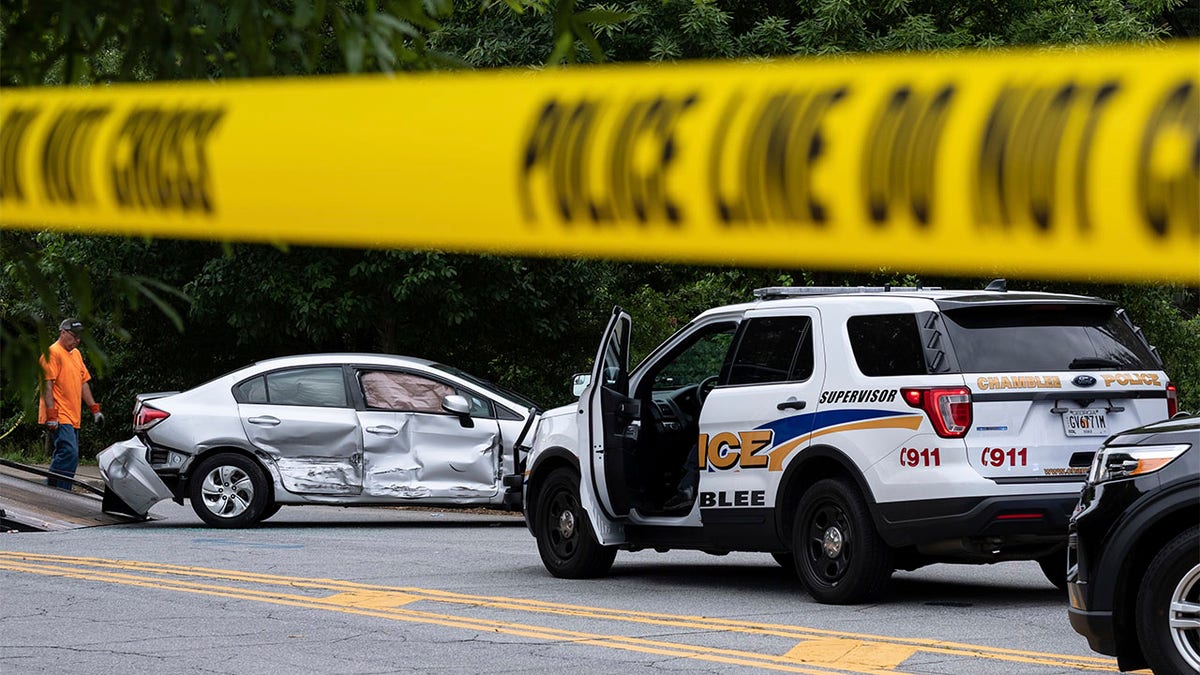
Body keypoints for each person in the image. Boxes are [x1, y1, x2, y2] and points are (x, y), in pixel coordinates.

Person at [38, 318, 104, 490]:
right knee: (69, 453)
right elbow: (47, 385)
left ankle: (51, 490)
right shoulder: (52, 353)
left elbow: (83, 383)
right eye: (74, 336)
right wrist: (51, 414)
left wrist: (94, 409)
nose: (77, 340)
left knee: (66, 454)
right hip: (59, 415)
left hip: (73, 416)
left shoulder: (76, 354)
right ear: (63, 333)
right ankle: (60, 492)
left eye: (79, 337)